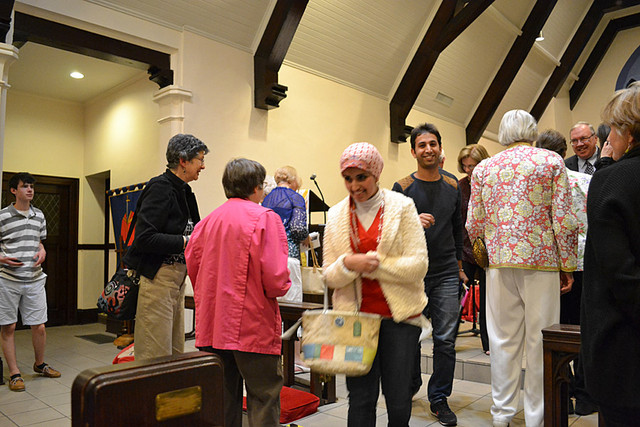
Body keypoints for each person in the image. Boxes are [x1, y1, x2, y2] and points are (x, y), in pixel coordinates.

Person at [466, 110, 577, 427]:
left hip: (500, 264)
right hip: (541, 262)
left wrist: (484, 258)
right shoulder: (551, 163)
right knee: (542, 340)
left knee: (502, 342)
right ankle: (536, 418)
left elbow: (474, 222)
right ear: (532, 130)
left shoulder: (485, 168)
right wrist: (566, 264)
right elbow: (564, 220)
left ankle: (501, 415)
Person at [322, 142, 428, 427]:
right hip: (354, 321)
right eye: (348, 178)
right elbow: (329, 275)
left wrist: (375, 265)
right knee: (360, 399)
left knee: (398, 398)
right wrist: (348, 264)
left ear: (376, 174)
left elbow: (419, 265)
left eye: (361, 177)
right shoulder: (334, 216)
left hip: (400, 319)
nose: (354, 185)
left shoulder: (403, 207)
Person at [186, 158, 291, 427]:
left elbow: (195, 272)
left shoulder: (206, 223)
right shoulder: (265, 218)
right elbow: (276, 280)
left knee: (222, 400)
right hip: (251, 324)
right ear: (256, 187)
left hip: (212, 324)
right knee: (263, 396)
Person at [392, 124, 465, 426]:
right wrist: (411, 221)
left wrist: (460, 267)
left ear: (439, 147)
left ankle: (439, 398)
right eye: (422, 145)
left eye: (433, 144)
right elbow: (391, 235)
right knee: (409, 338)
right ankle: (410, 386)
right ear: (413, 151)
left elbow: (457, 229)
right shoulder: (402, 187)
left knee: (445, 339)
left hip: (447, 270)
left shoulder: (453, 185)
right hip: (412, 273)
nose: (428, 150)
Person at [581, 81, 640, 426]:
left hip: (623, 347)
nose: (609, 140)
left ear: (629, 133)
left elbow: (621, 275)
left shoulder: (611, 181)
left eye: (613, 131)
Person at [123, 133, 208, 362]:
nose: (203, 165)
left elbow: (196, 232)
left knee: (174, 352)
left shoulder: (185, 191)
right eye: (199, 159)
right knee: (155, 354)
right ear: (183, 160)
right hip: (157, 278)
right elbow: (144, 238)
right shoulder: (160, 187)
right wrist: (185, 241)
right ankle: (149, 398)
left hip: (178, 280)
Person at [536, 129, 595, 415]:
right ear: (563, 152)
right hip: (582, 264)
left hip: (549, 266)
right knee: (582, 328)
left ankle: (564, 389)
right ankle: (583, 394)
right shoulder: (585, 181)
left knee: (554, 329)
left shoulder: (535, 184)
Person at [0, 172, 60, 392]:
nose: (30, 190)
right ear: (14, 190)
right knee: (9, 326)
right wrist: (1, 257)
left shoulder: (39, 215)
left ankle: (39, 363)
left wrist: (42, 251)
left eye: (32, 186)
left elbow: (39, 242)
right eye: (25, 186)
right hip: (8, 279)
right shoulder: (3, 216)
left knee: (40, 326)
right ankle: (14, 373)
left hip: (34, 278)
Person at [456, 144, 490, 356]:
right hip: (465, 248)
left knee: (488, 301)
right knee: (457, 294)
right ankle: (446, 341)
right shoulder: (459, 186)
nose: (470, 170)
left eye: (474, 165)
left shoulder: (493, 183)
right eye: (466, 166)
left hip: (488, 249)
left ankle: (488, 343)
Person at [262, 166, 309, 303]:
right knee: (291, 306)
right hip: (289, 257)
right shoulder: (296, 198)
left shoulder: (266, 199)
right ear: (293, 180)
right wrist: (306, 236)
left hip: (269, 258)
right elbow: (297, 228)